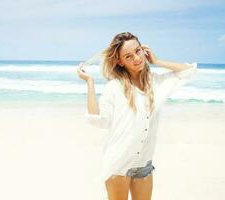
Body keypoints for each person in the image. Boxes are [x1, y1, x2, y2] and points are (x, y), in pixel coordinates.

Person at [77, 32, 197, 200]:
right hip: (118, 165)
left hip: (143, 164)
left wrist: (157, 61)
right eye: (128, 56)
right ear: (120, 61)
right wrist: (90, 82)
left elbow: (189, 71)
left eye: (138, 51)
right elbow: (97, 119)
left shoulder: (156, 83)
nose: (136, 58)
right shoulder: (115, 87)